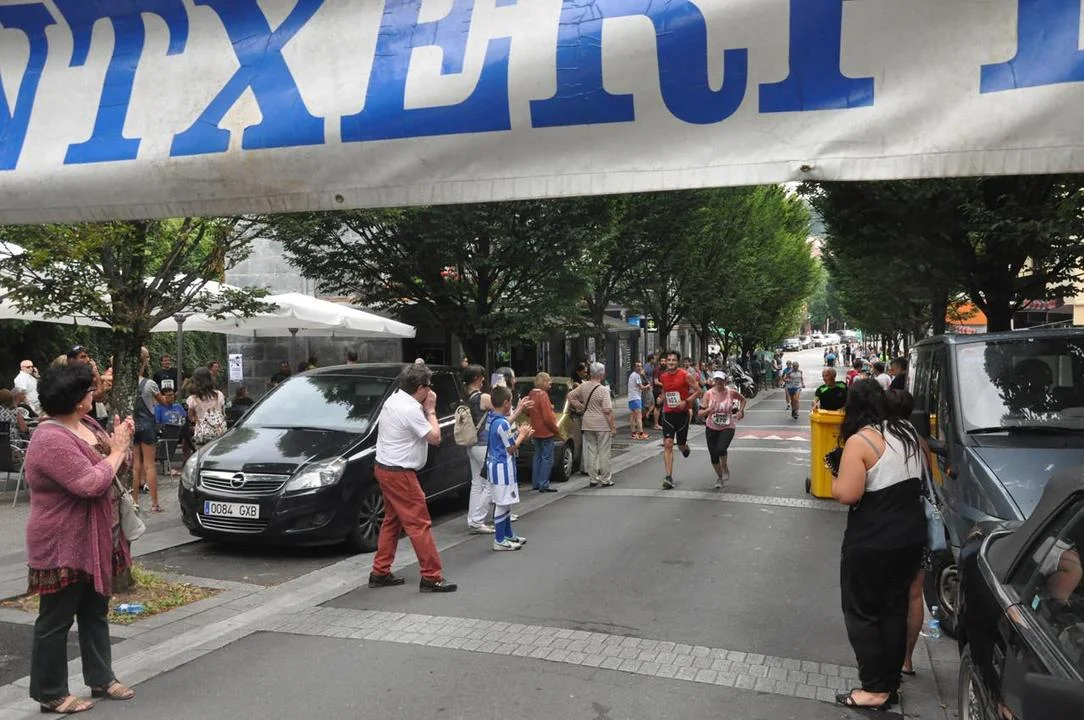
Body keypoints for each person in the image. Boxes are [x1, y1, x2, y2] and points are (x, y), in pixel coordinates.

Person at [24, 363, 137, 714]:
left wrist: (122, 444)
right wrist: (116, 452)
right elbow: (89, 484)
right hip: (63, 540)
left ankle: (102, 678)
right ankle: (50, 693)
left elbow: (116, 469)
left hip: (97, 535)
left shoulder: (87, 424)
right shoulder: (50, 439)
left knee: (94, 610)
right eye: (90, 389)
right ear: (77, 399)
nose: (95, 392)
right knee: (56, 619)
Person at [831, 380, 925, 711]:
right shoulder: (907, 433)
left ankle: (874, 688)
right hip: (910, 536)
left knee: (862, 613)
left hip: (873, 539)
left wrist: (834, 475)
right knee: (893, 609)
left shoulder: (861, 441)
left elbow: (848, 494)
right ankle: (890, 682)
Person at [368, 364, 457, 592]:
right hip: (400, 472)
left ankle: (380, 571)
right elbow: (435, 437)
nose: (431, 390)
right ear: (420, 388)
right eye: (428, 386)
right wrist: (431, 410)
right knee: (419, 524)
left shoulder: (394, 399)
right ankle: (431, 576)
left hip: (384, 467)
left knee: (392, 520)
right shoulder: (411, 410)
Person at [484, 385, 532, 550]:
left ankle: (507, 534)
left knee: (505, 503)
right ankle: (499, 539)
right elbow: (511, 448)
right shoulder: (502, 424)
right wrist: (522, 435)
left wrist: (518, 434)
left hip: (497, 467)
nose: (511, 405)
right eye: (511, 402)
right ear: (505, 403)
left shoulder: (493, 419)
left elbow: (503, 436)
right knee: (502, 504)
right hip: (502, 468)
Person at [568, 362, 616, 487]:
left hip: (587, 422)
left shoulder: (584, 386)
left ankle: (593, 478)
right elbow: (608, 410)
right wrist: (612, 427)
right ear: (601, 374)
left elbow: (570, 396)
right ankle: (605, 478)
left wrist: (581, 406)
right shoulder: (603, 390)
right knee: (604, 452)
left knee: (591, 451)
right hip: (602, 424)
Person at [657, 351, 701, 489]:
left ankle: (685, 448)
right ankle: (668, 477)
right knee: (668, 443)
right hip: (668, 414)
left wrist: (686, 402)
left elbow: (698, 391)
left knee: (680, 445)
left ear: (678, 362)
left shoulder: (685, 375)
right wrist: (661, 398)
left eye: (673, 360)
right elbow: (664, 391)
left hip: (682, 415)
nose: (671, 362)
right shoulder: (663, 376)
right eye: (669, 360)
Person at [133, 347, 167, 511]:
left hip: (132, 425)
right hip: (147, 424)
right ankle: (154, 504)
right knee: (150, 465)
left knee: (135, 465)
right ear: (144, 361)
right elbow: (163, 402)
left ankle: (135, 502)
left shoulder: (124, 383)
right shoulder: (150, 384)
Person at [697, 371, 745, 489]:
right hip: (711, 427)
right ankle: (719, 477)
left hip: (727, 426)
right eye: (716, 379)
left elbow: (743, 400)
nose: (718, 382)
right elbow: (700, 414)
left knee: (721, 448)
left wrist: (741, 411)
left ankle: (724, 466)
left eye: (721, 380)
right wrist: (709, 409)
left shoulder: (731, 392)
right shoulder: (708, 394)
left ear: (725, 381)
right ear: (714, 381)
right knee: (713, 455)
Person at [463, 365, 494, 534]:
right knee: (491, 482)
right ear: (476, 378)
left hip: (471, 444)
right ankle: (477, 520)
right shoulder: (483, 397)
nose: (484, 380)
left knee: (476, 482)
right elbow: (502, 406)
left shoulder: (465, 397)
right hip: (483, 444)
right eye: (482, 376)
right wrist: (500, 389)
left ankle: (473, 519)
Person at [526, 372, 561, 493]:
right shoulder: (543, 395)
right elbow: (547, 417)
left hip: (535, 430)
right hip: (546, 431)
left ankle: (536, 482)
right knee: (547, 458)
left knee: (538, 456)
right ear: (544, 382)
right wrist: (555, 429)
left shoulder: (531, 394)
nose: (550, 383)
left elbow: (528, 412)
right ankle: (544, 484)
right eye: (548, 381)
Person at [186, 368, 226, 448]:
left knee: (202, 454)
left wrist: (198, 419)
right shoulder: (219, 395)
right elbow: (222, 412)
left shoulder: (192, 399)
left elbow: (191, 417)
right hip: (219, 434)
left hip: (202, 435)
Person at [627, 361, 648, 440]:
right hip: (636, 398)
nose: (639, 368)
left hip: (631, 398)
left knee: (632, 417)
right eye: (637, 366)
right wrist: (648, 386)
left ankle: (633, 433)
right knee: (639, 417)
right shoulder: (637, 376)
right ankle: (641, 433)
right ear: (634, 367)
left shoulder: (632, 375)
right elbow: (641, 387)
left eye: (640, 366)